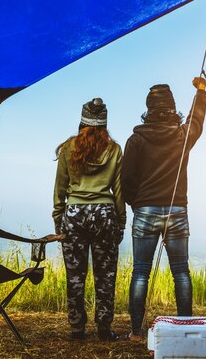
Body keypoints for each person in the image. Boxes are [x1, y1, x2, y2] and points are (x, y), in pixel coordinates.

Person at [122, 78, 206, 340]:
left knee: (140, 272)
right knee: (181, 270)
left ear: (148, 110)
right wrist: (201, 93)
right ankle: (186, 326)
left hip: (145, 211)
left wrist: (137, 204)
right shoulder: (181, 136)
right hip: (178, 211)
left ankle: (136, 331)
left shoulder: (135, 140)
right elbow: (196, 120)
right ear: (172, 108)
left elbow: (127, 180)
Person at [52, 98, 126, 341]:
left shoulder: (68, 148)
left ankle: (77, 328)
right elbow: (118, 191)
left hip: (74, 214)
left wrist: (58, 220)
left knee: (75, 275)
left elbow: (60, 188)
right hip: (105, 214)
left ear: (82, 121)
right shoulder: (114, 149)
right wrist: (121, 223)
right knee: (106, 275)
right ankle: (104, 328)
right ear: (104, 123)